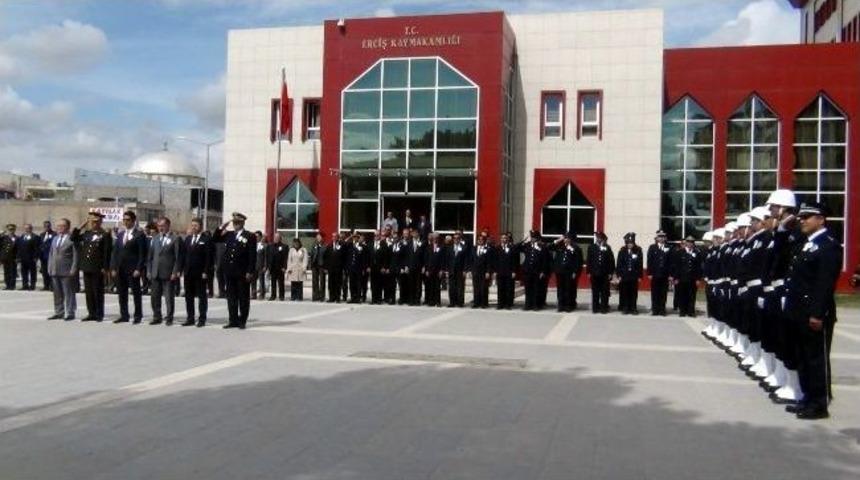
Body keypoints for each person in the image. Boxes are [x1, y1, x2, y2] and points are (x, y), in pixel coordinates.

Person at [783, 202, 842, 420]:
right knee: (803, 358)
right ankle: (807, 398)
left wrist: (817, 313)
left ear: (821, 219)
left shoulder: (828, 246)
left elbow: (824, 284)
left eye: (807, 217)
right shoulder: (807, 243)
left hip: (815, 314)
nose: (802, 220)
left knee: (816, 360)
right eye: (801, 217)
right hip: (799, 311)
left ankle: (819, 404)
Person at [213, 212, 256, 329]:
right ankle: (233, 320)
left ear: (242, 223)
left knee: (243, 297)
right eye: (234, 222)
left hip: (242, 272)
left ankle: (242, 321)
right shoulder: (229, 234)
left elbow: (252, 255)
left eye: (238, 223)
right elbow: (215, 238)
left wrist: (250, 271)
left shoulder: (250, 236)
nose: (236, 225)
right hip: (229, 271)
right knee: (231, 297)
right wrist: (222, 226)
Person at [71, 211, 112, 321]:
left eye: (97, 222)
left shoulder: (104, 235)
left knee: (97, 291)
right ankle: (91, 313)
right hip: (87, 266)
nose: (95, 224)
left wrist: (105, 267)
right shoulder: (87, 233)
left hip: (98, 267)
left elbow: (106, 252)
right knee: (88, 291)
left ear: (101, 222)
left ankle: (99, 313)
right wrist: (82, 224)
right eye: (93, 222)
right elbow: (73, 237)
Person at [111, 211, 147, 324]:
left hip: (133, 269)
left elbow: (142, 254)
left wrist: (139, 268)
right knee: (122, 293)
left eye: (128, 220)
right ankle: (124, 315)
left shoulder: (139, 235)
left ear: (133, 221)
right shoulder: (121, 234)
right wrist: (113, 267)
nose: (126, 222)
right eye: (124, 220)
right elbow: (115, 252)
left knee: (136, 293)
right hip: (121, 269)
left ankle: (138, 315)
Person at [147, 217, 182, 325]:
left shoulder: (175, 238)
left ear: (168, 225)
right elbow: (150, 257)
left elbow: (177, 257)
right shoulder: (155, 238)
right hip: (155, 272)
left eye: (162, 226)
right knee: (154, 297)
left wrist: (175, 272)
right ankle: (157, 316)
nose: (160, 228)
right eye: (159, 226)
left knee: (168, 297)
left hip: (168, 273)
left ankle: (169, 317)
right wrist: (149, 270)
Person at [182, 218, 212, 327]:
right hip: (188, 272)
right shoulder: (188, 239)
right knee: (188, 296)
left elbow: (209, 257)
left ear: (201, 227)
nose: (194, 227)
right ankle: (190, 318)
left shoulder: (206, 239)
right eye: (192, 225)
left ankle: (202, 318)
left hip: (200, 273)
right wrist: (182, 270)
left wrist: (206, 271)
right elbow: (184, 256)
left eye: (196, 225)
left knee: (201, 297)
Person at [46, 218, 78, 321]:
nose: (60, 228)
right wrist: (49, 267)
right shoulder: (55, 238)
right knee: (57, 293)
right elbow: (51, 254)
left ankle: (70, 312)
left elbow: (75, 255)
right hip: (55, 270)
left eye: (62, 226)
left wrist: (73, 269)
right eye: (58, 226)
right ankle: (59, 312)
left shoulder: (71, 239)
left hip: (67, 270)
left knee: (68, 293)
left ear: (68, 227)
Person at [671, 235, 702, 318]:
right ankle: (682, 311)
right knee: (682, 295)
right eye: (688, 242)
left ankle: (691, 311)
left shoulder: (697, 252)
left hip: (692, 278)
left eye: (692, 242)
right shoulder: (680, 252)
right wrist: (676, 278)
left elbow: (699, 267)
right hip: (682, 278)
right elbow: (676, 266)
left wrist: (698, 278)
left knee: (692, 295)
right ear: (686, 243)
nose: (690, 244)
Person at [552, 231, 583, 313]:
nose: (566, 240)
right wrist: (558, 240)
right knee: (560, 289)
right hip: (560, 272)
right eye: (565, 238)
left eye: (567, 238)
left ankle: (568, 306)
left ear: (571, 239)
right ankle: (560, 305)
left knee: (569, 289)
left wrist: (575, 272)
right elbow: (549, 247)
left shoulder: (576, 248)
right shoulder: (560, 246)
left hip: (569, 273)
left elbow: (578, 262)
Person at [616, 232, 644, 315]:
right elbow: (619, 263)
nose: (630, 244)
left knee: (634, 293)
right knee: (625, 292)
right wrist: (619, 275)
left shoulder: (638, 250)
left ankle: (633, 308)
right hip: (624, 276)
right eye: (628, 243)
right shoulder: (622, 251)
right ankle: (625, 308)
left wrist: (639, 276)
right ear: (626, 243)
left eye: (631, 243)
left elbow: (640, 264)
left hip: (634, 276)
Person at [587, 232, 614, 314]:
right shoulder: (591, 247)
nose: (598, 239)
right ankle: (595, 307)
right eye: (597, 237)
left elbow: (611, 261)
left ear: (603, 238)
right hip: (594, 273)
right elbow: (589, 260)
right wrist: (588, 271)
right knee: (595, 291)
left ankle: (604, 307)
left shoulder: (607, 247)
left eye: (600, 237)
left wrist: (610, 272)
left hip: (604, 274)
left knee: (604, 292)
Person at [647, 230, 672, 316]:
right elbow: (649, 261)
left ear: (665, 238)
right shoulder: (652, 247)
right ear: (657, 238)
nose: (661, 238)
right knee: (655, 292)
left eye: (663, 236)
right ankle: (655, 310)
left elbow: (671, 262)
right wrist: (649, 273)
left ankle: (662, 310)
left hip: (665, 274)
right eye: (660, 236)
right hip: (655, 274)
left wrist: (670, 275)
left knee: (663, 293)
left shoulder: (669, 247)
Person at [495, 232, 519, 309]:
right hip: (500, 271)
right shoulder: (497, 248)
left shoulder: (512, 248)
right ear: (500, 239)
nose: (504, 239)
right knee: (500, 289)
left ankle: (508, 304)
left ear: (507, 239)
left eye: (505, 238)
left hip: (509, 272)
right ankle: (500, 304)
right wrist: (495, 271)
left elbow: (514, 261)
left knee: (508, 289)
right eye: (502, 238)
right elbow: (495, 261)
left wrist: (514, 271)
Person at [470, 234, 494, 308]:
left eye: (482, 239)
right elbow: (471, 260)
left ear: (484, 241)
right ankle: (476, 303)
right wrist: (471, 270)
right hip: (475, 271)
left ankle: (484, 303)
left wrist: (488, 271)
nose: (480, 241)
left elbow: (489, 261)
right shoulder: (474, 248)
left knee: (483, 288)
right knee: (476, 288)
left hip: (484, 271)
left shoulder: (488, 249)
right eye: (479, 239)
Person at [424, 233, 446, 307]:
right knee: (430, 286)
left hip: (438, 270)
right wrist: (426, 269)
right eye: (434, 238)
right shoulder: (428, 247)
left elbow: (443, 259)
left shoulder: (442, 247)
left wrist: (442, 270)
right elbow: (426, 259)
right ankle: (431, 301)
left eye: (437, 238)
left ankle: (438, 301)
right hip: (430, 270)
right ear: (432, 239)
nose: (435, 239)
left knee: (437, 287)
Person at [370, 230, 392, 304]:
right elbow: (368, 257)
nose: (376, 237)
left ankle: (379, 299)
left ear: (380, 236)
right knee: (373, 284)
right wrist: (368, 266)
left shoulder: (384, 244)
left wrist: (384, 267)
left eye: (378, 235)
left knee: (379, 284)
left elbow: (386, 257)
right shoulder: (371, 244)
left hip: (380, 267)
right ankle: (373, 299)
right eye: (375, 235)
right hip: (372, 267)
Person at [16, 224, 40, 290]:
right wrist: (18, 257)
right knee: (24, 272)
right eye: (25, 228)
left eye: (28, 228)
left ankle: (32, 285)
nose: (27, 230)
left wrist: (36, 257)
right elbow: (19, 248)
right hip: (23, 258)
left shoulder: (35, 237)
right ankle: (25, 285)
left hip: (31, 258)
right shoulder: (21, 237)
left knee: (32, 273)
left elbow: (37, 248)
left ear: (31, 229)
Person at [447, 232, 468, 307]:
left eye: (458, 238)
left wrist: (465, 270)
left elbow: (466, 260)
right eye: (455, 238)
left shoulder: (464, 247)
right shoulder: (449, 247)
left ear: (460, 239)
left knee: (460, 287)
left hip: (460, 270)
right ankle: (452, 302)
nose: (456, 240)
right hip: (451, 270)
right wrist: (447, 270)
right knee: (452, 287)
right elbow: (447, 259)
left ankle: (460, 302)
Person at [346, 232, 369, 303]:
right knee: (352, 283)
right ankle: (353, 297)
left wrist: (364, 268)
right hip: (351, 268)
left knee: (358, 283)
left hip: (359, 268)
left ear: (358, 238)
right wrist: (351, 236)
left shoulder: (362, 246)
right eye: (354, 237)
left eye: (356, 237)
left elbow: (364, 258)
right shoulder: (350, 245)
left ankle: (358, 298)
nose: (355, 238)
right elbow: (344, 243)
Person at [406, 229, 426, 306]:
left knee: (418, 284)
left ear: (418, 234)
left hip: (419, 267)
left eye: (416, 233)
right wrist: (406, 266)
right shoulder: (409, 243)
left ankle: (417, 300)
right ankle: (411, 299)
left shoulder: (422, 243)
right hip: (411, 266)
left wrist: (424, 266)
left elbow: (424, 255)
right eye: (413, 233)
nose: (414, 234)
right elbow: (406, 256)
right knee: (411, 284)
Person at [267, 233, 288, 301]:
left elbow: (285, 258)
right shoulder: (270, 246)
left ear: (280, 238)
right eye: (275, 237)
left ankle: (281, 296)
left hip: (280, 268)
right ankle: (273, 296)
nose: (276, 239)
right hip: (272, 267)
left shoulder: (284, 246)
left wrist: (284, 267)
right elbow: (268, 257)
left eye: (277, 237)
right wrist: (268, 266)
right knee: (273, 283)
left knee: (281, 283)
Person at [326, 232, 345, 303]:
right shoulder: (329, 246)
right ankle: (331, 297)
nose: (334, 238)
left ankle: (337, 298)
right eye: (333, 237)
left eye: (335, 237)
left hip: (338, 268)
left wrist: (343, 267)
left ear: (338, 237)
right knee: (331, 284)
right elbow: (326, 258)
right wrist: (326, 268)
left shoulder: (341, 245)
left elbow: (343, 257)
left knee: (338, 283)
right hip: (331, 268)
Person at [309, 233, 329, 301]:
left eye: (319, 237)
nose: (318, 239)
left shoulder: (325, 246)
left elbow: (327, 258)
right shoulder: (314, 245)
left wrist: (326, 267)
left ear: (322, 238)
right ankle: (315, 296)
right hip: (315, 265)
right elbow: (311, 255)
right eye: (317, 238)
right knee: (315, 281)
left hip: (322, 266)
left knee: (322, 282)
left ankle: (321, 296)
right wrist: (310, 265)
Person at [38, 220, 55, 291]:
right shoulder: (42, 235)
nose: (46, 227)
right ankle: (46, 285)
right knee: (44, 272)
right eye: (45, 226)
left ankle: (52, 286)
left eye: (48, 226)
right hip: (43, 256)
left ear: (50, 226)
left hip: (50, 256)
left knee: (50, 272)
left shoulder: (54, 234)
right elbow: (40, 244)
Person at [252, 231, 268, 300]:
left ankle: (262, 294)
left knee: (261, 281)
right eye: (255, 237)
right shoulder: (252, 245)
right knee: (253, 281)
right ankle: (253, 294)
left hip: (261, 266)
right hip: (253, 266)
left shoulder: (264, 246)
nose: (256, 238)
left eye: (257, 236)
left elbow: (266, 257)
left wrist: (265, 266)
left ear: (261, 237)